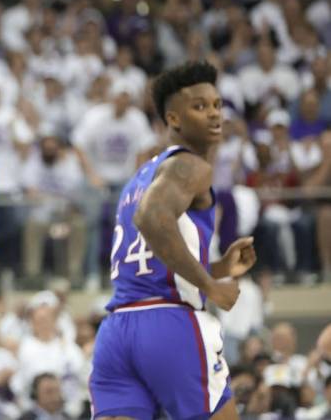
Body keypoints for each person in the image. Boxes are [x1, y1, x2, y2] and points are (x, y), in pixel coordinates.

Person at [89, 61, 258, 420]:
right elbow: (151, 219)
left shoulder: (142, 175)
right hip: (169, 326)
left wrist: (220, 266)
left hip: (117, 331)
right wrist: (211, 284)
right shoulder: (191, 166)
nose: (214, 115)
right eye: (200, 107)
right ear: (174, 119)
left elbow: (151, 260)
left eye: (217, 105)